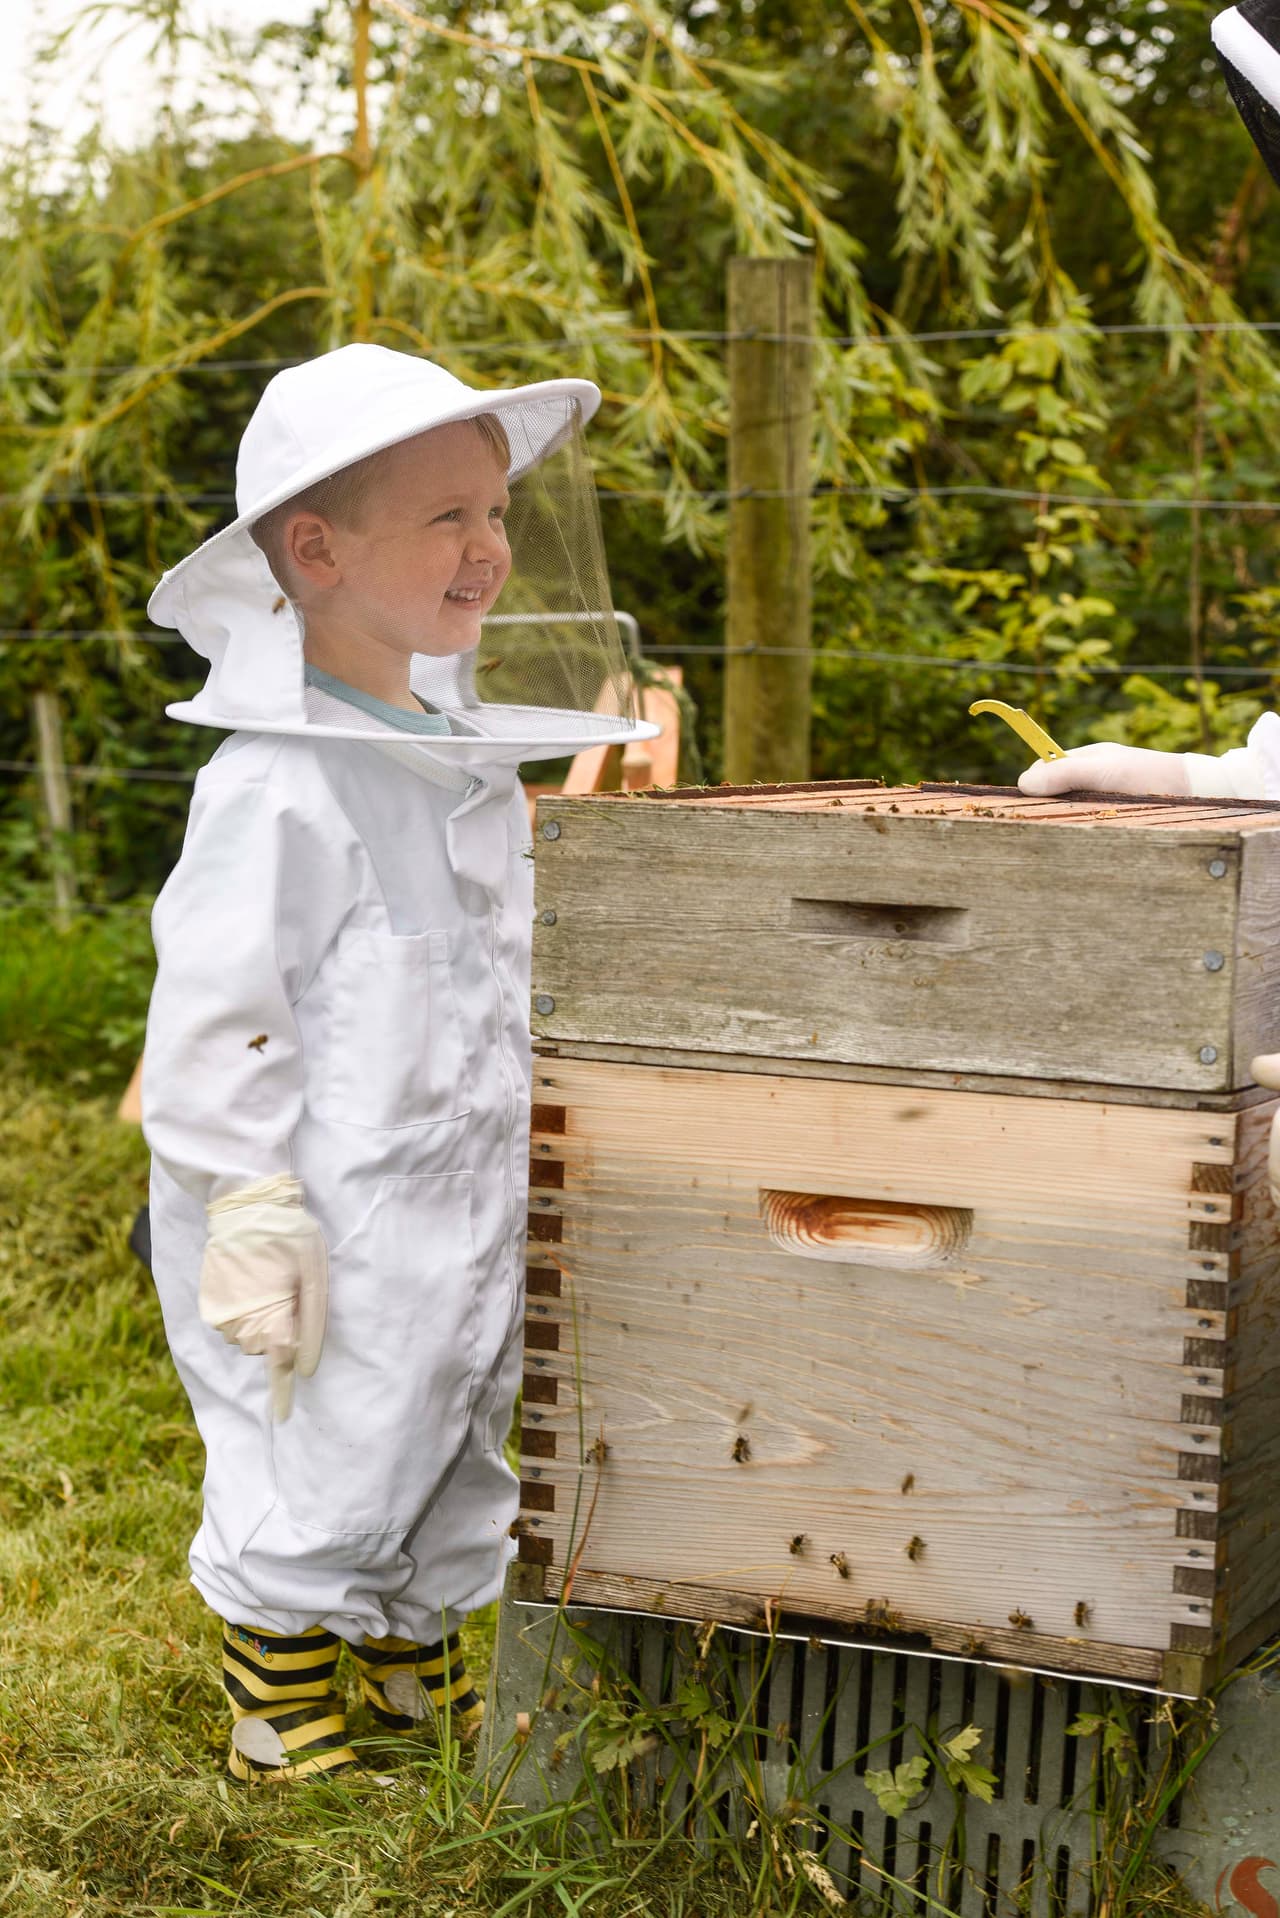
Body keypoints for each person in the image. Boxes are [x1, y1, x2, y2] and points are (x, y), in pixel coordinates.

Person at [141, 343, 657, 1783]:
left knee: (459, 1398)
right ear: (316, 549)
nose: (490, 548)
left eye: (497, 514)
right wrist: (246, 1204)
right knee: (326, 1422)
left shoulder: (460, 754)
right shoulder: (277, 780)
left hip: (454, 1172)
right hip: (322, 1198)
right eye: (447, 517)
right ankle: (278, 1681)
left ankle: (416, 1654)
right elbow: (220, 1013)